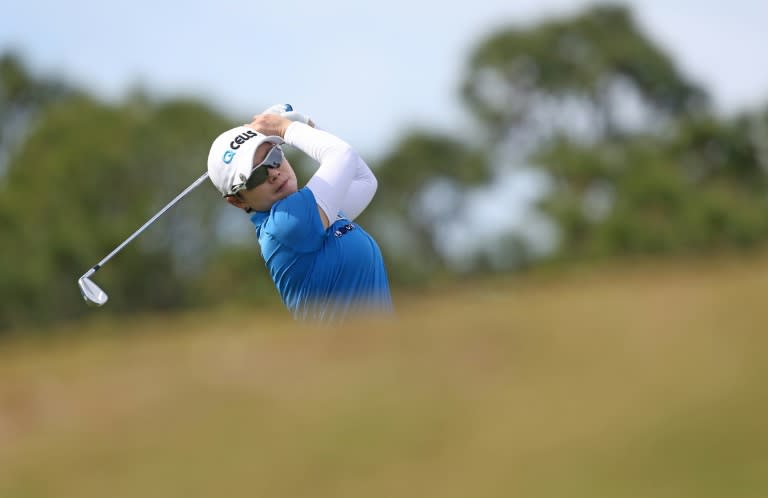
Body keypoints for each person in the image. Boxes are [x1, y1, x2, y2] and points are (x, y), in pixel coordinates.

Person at [206, 104, 392, 321]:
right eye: (256, 176)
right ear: (237, 200)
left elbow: (363, 180)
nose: (273, 173)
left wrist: (307, 124)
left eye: (274, 157)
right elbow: (343, 155)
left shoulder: (311, 215)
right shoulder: (287, 224)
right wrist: (287, 128)